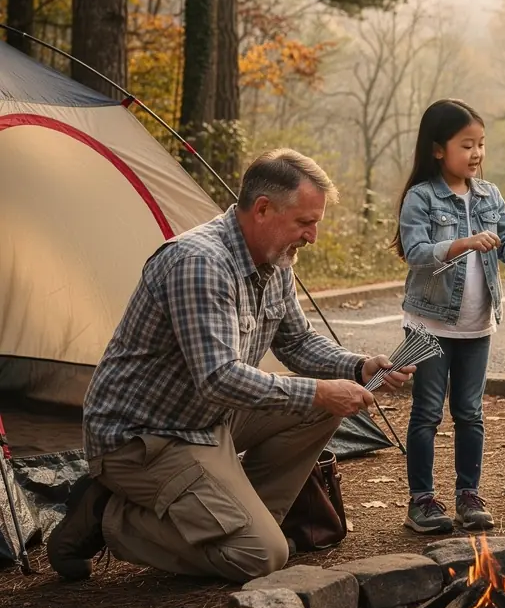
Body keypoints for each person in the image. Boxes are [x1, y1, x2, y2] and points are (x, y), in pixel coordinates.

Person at [47, 149, 412, 583]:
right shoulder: (200, 263)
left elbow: (296, 341)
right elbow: (219, 378)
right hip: (145, 438)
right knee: (260, 557)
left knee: (327, 405)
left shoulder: (275, 261)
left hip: (208, 418)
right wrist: (319, 390)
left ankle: (240, 521)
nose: (312, 236)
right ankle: (108, 514)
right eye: (304, 222)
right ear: (262, 209)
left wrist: (358, 366)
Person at [394, 99, 505, 534]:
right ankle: (421, 500)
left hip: (478, 325)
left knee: (470, 412)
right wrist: (462, 243)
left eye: (481, 144)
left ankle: (468, 495)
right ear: (438, 150)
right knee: (427, 413)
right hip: (430, 325)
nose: (476, 153)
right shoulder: (421, 197)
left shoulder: (489, 194)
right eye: (466, 144)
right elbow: (416, 253)